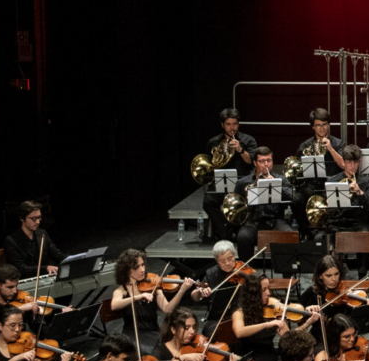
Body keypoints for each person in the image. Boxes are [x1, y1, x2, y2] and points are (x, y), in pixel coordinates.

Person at [107, 248, 202, 346]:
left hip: (154, 332)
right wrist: (138, 297)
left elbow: (168, 309)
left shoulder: (153, 285)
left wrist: (182, 290)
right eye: (136, 267)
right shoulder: (121, 291)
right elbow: (114, 305)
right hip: (133, 335)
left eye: (143, 265)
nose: (142, 270)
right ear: (126, 271)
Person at [203, 109, 259, 239]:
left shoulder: (248, 140)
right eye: (228, 124)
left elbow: (252, 161)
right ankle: (226, 234)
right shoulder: (214, 142)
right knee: (208, 201)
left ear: (238, 124)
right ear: (222, 125)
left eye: (235, 124)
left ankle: (240, 232)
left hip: (242, 183)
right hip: (221, 183)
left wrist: (240, 150)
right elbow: (210, 165)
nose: (232, 127)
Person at [233, 147, 299, 259]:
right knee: (243, 237)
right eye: (262, 161)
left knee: (289, 236)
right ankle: (248, 273)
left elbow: (295, 198)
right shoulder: (243, 182)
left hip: (276, 220)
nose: (266, 164)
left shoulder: (281, 180)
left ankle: (288, 274)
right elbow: (236, 207)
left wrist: (276, 185)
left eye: (269, 160)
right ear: (255, 163)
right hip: (253, 221)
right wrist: (246, 202)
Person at [289, 108, 349, 232]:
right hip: (312, 184)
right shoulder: (305, 146)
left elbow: (344, 165)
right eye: (318, 125)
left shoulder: (338, 143)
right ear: (313, 127)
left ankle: (335, 231)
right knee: (296, 199)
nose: (322, 128)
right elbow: (297, 170)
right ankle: (306, 230)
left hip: (333, 183)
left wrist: (331, 149)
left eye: (324, 125)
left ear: (328, 124)